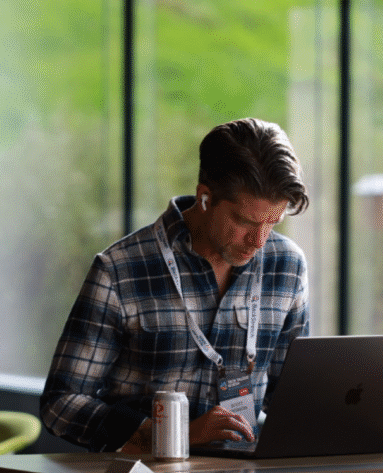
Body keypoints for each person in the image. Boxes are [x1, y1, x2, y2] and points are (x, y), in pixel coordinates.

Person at [40, 117, 310, 453]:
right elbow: (60, 404)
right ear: (205, 197)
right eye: (244, 221)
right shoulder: (120, 270)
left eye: (273, 221)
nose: (258, 241)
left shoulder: (287, 267)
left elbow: (293, 401)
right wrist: (173, 434)